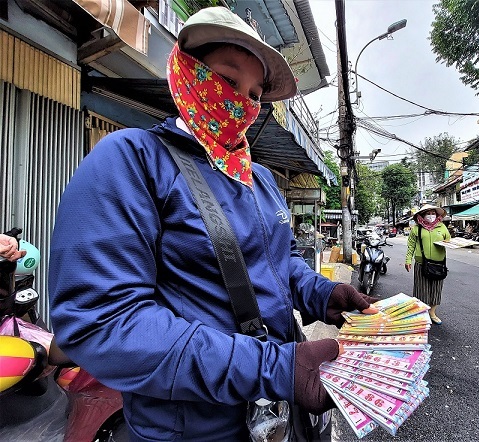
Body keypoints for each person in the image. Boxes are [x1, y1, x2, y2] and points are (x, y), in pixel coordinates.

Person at [48, 7, 377, 441]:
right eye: (228, 79)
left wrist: (324, 293)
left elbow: (282, 263)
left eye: (256, 94)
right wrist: (275, 367)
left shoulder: (258, 177)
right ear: (187, 70)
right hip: (190, 428)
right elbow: (102, 322)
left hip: (279, 416)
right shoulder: (131, 160)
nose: (243, 101)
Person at [404, 204, 451, 325]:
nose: (431, 216)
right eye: (428, 213)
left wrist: (448, 243)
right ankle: (421, 314)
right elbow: (411, 246)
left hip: (439, 263)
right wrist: (408, 260)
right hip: (421, 263)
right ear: (422, 215)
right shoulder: (417, 229)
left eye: (433, 213)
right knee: (421, 290)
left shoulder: (442, 227)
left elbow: (449, 240)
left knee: (436, 289)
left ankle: (432, 313)